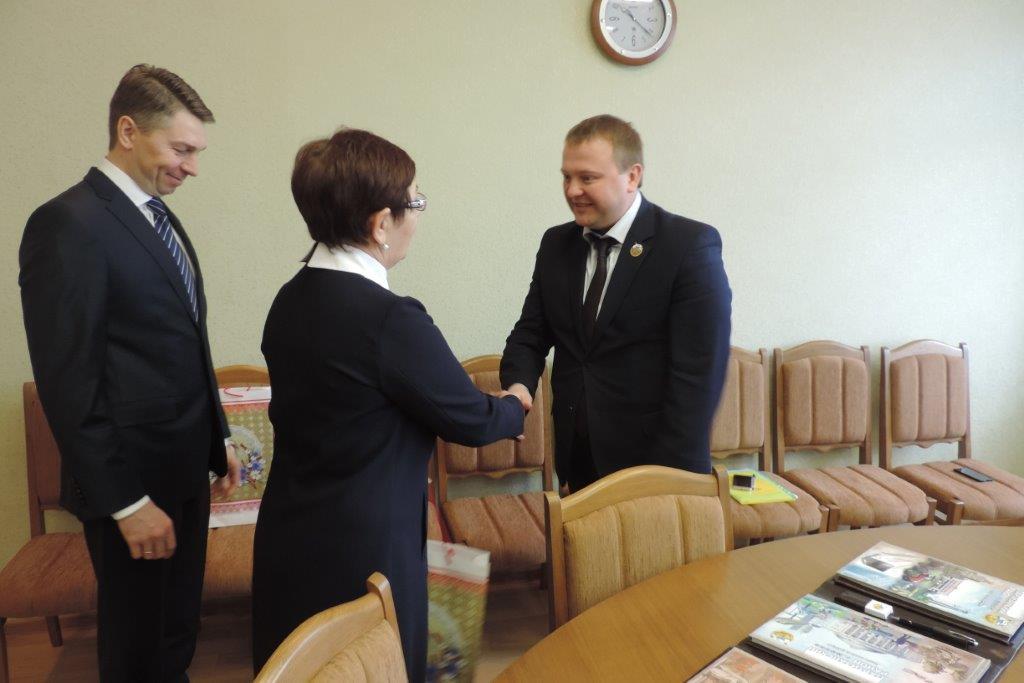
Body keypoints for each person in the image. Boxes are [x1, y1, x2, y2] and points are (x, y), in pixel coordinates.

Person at [252, 128, 525, 681]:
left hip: (288, 533)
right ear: (381, 224)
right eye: (415, 203)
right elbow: (469, 419)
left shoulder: (290, 299)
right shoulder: (388, 319)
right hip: (365, 548)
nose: (418, 216)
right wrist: (515, 406)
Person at [19, 64, 240, 681]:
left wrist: (218, 435)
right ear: (127, 131)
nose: (192, 167)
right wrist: (124, 502)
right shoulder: (68, 223)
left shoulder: (159, 218)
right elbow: (68, 382)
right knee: (137, 648)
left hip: (184, 471)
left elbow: (184, 343)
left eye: (196, 153)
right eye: (181, 150)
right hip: (133, 485)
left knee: (176, 630)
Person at [500, 114, 732, 492]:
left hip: (657, 469)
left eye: (587, 178)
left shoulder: (687, 246)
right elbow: (531, 332)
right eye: (566, 177)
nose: (572, 190)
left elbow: (698, 376)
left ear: (632, 176)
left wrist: (665, 481)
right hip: (578, 463)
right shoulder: (556, 245)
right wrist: (518, 386)